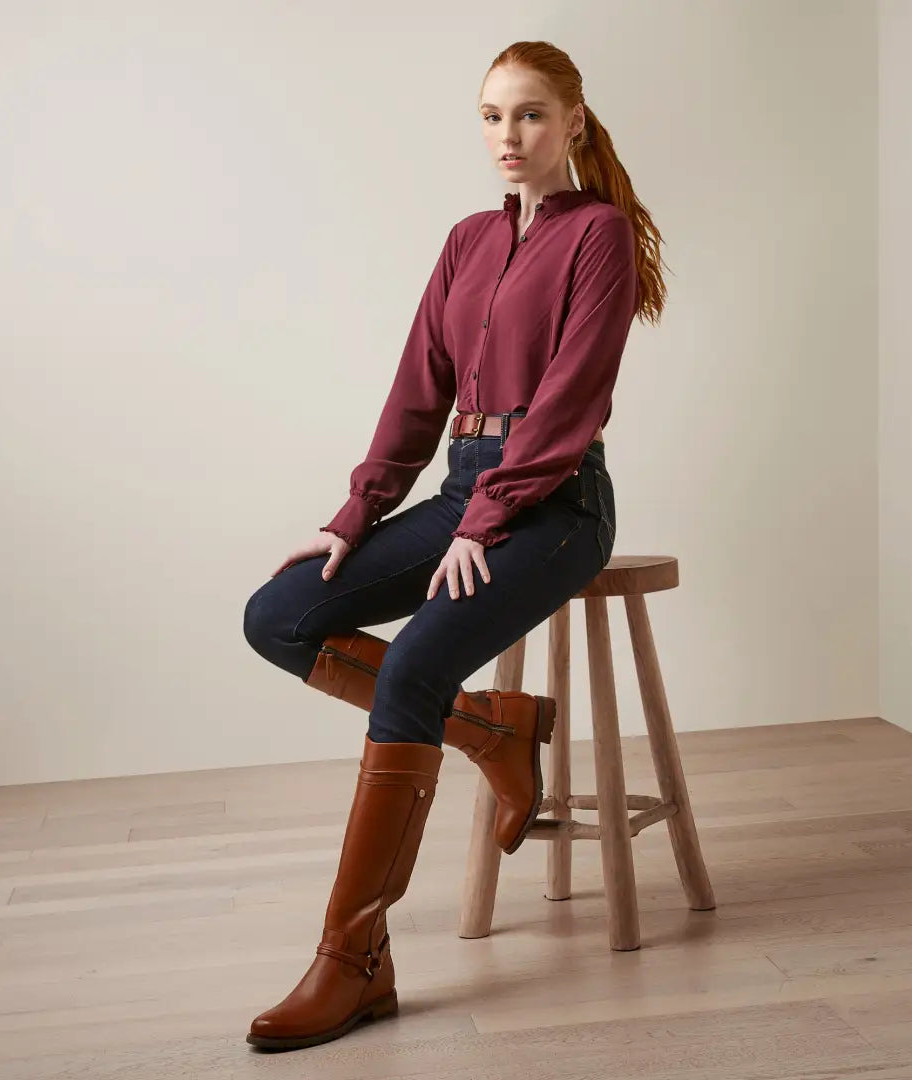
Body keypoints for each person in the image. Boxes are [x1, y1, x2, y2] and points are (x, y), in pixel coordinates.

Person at [241, 39, 667, 1052]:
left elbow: (570, 401)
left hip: (557, 503)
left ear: (571, 120)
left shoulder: (597, 235)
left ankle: (354, 960)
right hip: (464, 486)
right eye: (489, 116)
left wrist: (489, 518)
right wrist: (359, 509)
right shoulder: (468, 239)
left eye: (526, 115)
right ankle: (491, 733)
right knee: (281, 613)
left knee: (416, 665)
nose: (506, 137)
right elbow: (420, 387)